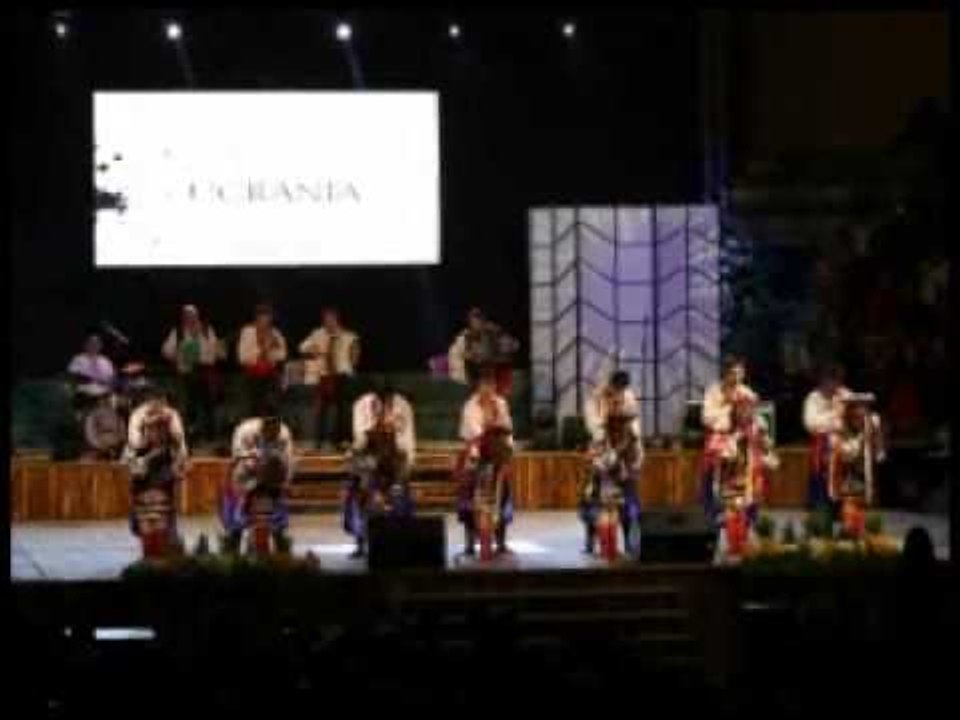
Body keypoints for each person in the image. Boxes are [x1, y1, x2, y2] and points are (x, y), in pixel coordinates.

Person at [343, 381, 416, 558]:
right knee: (359, 495)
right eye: (382, 399)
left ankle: (399, 541)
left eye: (389, 399)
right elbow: (359, 438)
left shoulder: (403, 406)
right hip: (367, 457)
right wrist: (376, 427)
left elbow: (408, 438)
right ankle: (360, 542)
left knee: (398, 498)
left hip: (394, 458)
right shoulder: (362, 405)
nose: (386, 403)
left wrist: (407, 463)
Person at [579, 370, 643, 556]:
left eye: (622, 390)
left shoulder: (629, 397)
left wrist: (634, 452)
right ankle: (591, 540)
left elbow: (635, 427)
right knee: (592, 497)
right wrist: (607, 447)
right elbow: (593, 425)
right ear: (610, 385)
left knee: (629, 500)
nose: (619, 394)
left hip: (624, 450)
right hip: (602, 447)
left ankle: (631, 543)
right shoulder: (596, 397)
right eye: (617, 389)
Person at [221, 400, 295, 553]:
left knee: (278, 522)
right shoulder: (245, 430)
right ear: (262, 422)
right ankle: (232, 550)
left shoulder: (284, 433)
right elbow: (236, 456)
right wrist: (254, 464)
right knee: (237, 523)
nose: (273, 429)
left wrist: (287, 482)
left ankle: (282, 550)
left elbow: (288, 461)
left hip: (273, 478)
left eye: (276, 425)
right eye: (269, 425)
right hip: (245, 477)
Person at [456, 371, 515, 556]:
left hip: (497, 454)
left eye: (491, 385)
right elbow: (473, 431)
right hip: (476, 455)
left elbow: (508, 430)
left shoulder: (501, 404)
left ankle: (500, 541)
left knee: (502, 495)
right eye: (484, 385)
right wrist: (488, 425)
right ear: (478, 387)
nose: (488, 389)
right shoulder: (470, 406)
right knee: (469, 498)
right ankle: (469, 542)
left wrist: (507, 453)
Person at [123, 396, 189, 554]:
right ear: (146, 429)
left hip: (164, 504)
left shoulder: (174, 449)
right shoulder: (135, 449)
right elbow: (135, 472)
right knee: (148, 539)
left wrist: (175, 466)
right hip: (144, 503)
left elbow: (181, 470)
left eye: (161, 427)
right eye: (152, 427)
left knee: (163, 537)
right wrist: (149, 457)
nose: (157, 432)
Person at [700, 356, 759, 527]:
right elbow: (706, 418)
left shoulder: (747, 392)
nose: (738, 377)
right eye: (734, 373)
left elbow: (752, 418)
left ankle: (748, 517)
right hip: (719, 436)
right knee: (712, 467)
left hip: (741, 437)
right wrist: (727, 409)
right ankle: (714, 512)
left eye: (741, 373)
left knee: (753, 470)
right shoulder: (713, 391)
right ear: (726, 373)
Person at [298, 307, 361, 450]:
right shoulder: (318, 333)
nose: (328, 322)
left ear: (336, 319)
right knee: (322, 410)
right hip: (324, 375)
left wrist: (353, 357)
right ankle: (319, 441)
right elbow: (302, 347)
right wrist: (314, 349)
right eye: (325, 319)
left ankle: (342, 440)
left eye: (330, 319)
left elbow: (356, 355)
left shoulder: (348, 336)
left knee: (342, 409)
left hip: (342, 375)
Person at [161, 304, 224, 443]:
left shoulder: (207, 330)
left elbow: (217, 350)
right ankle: (189, 436)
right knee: (189, 406)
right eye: (186, 316)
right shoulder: (177, 332)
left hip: (205, 371)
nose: (190, 319)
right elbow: (166, 350)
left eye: (192, 316)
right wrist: (176, 353)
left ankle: (210, 436)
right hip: (186, 374)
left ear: (197, 317)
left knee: (208, 405)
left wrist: (210, 345)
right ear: (183, 318)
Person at [803, 363, 852, 510]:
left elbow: (858, 408)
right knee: (823, 464)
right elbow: (811, 424)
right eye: (831, 380)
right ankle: (821, 505)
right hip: (822, 446)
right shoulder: (813, 398)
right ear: (823, 381)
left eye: (838, 381)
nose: (835, 385)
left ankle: (842, 505)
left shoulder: (843, 394)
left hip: (843, 445)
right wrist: (834, 414)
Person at [448, 308, 518, 395]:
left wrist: (504, 349)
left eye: (479, 320)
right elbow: (463, 353)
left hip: (492, 369)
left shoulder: (493, 332)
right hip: (476, 371)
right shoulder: (466, 336)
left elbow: (513, 345)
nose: (477, 324)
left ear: (483, 321)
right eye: (474, 321)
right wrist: (473, 356)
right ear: (470, 322)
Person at [237, 304, 288, 417]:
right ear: (257, 317)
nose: (265, 320)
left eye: (268, 317)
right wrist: (261, 350)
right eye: (262, 316)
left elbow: (283, 354)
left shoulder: (275, 333)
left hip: (269, 376)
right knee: (254, 411)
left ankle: (271, 432)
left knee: (272, 408)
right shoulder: (247, 331)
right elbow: (242, 357)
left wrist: (270, 353)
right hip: (252, 377)